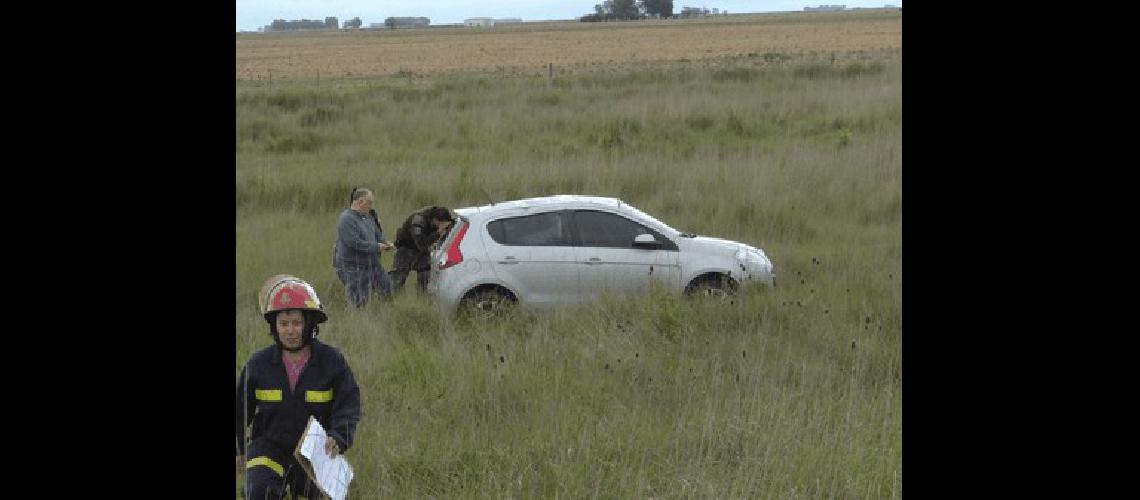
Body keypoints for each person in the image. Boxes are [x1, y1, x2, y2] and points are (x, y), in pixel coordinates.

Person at [237, 275, 362, 499]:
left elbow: (348, 405)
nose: (290, 331)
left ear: (310, 324)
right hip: (269, 449)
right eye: (283, 324)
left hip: (314, 454)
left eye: (296, 323)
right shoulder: (258, 365)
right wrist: (238, 450)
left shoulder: (332, 362)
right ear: (274, 327)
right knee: (259, 491)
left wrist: (339, 436)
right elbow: (238, 411)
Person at [333, 188, 393, 307]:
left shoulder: (368, 217)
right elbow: (353, 242)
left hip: (373, 264)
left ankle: (385, 313)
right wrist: (376, 247)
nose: (371, 206)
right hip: (353, 267)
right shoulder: (346, 219)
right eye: (369, 202)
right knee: (358, 300)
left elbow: (377, 234)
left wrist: (386, 243)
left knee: (387, 290)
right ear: (360, 202)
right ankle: (358, 320)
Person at [389, 206, 454, 294]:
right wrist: (438, 232)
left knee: (425, 276)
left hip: (422, 249)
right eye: (442, 224)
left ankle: (422, 299)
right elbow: (421, 243)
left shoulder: (436, 220)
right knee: (397, 278)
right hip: (406, 248)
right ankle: (389, 298)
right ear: (436, 220)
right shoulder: (418, 221)